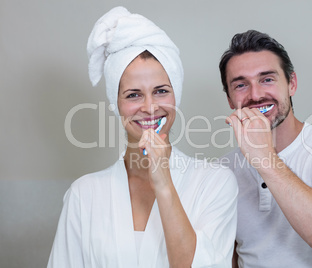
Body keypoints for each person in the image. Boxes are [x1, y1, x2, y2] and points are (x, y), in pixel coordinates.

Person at [48, 7, 238, 267]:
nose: (149, 107)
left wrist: (163, 182)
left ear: (175, 97)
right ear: (116, 103)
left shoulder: (215, 184)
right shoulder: (84, 195)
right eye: (133, 95)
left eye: (160, 91)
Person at [218, 30, 312, 267]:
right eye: (240, 85)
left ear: (291, 84)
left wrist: (265, 159)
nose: (256, 95)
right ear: (229, 99)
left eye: (267, 79)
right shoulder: (222, 171)